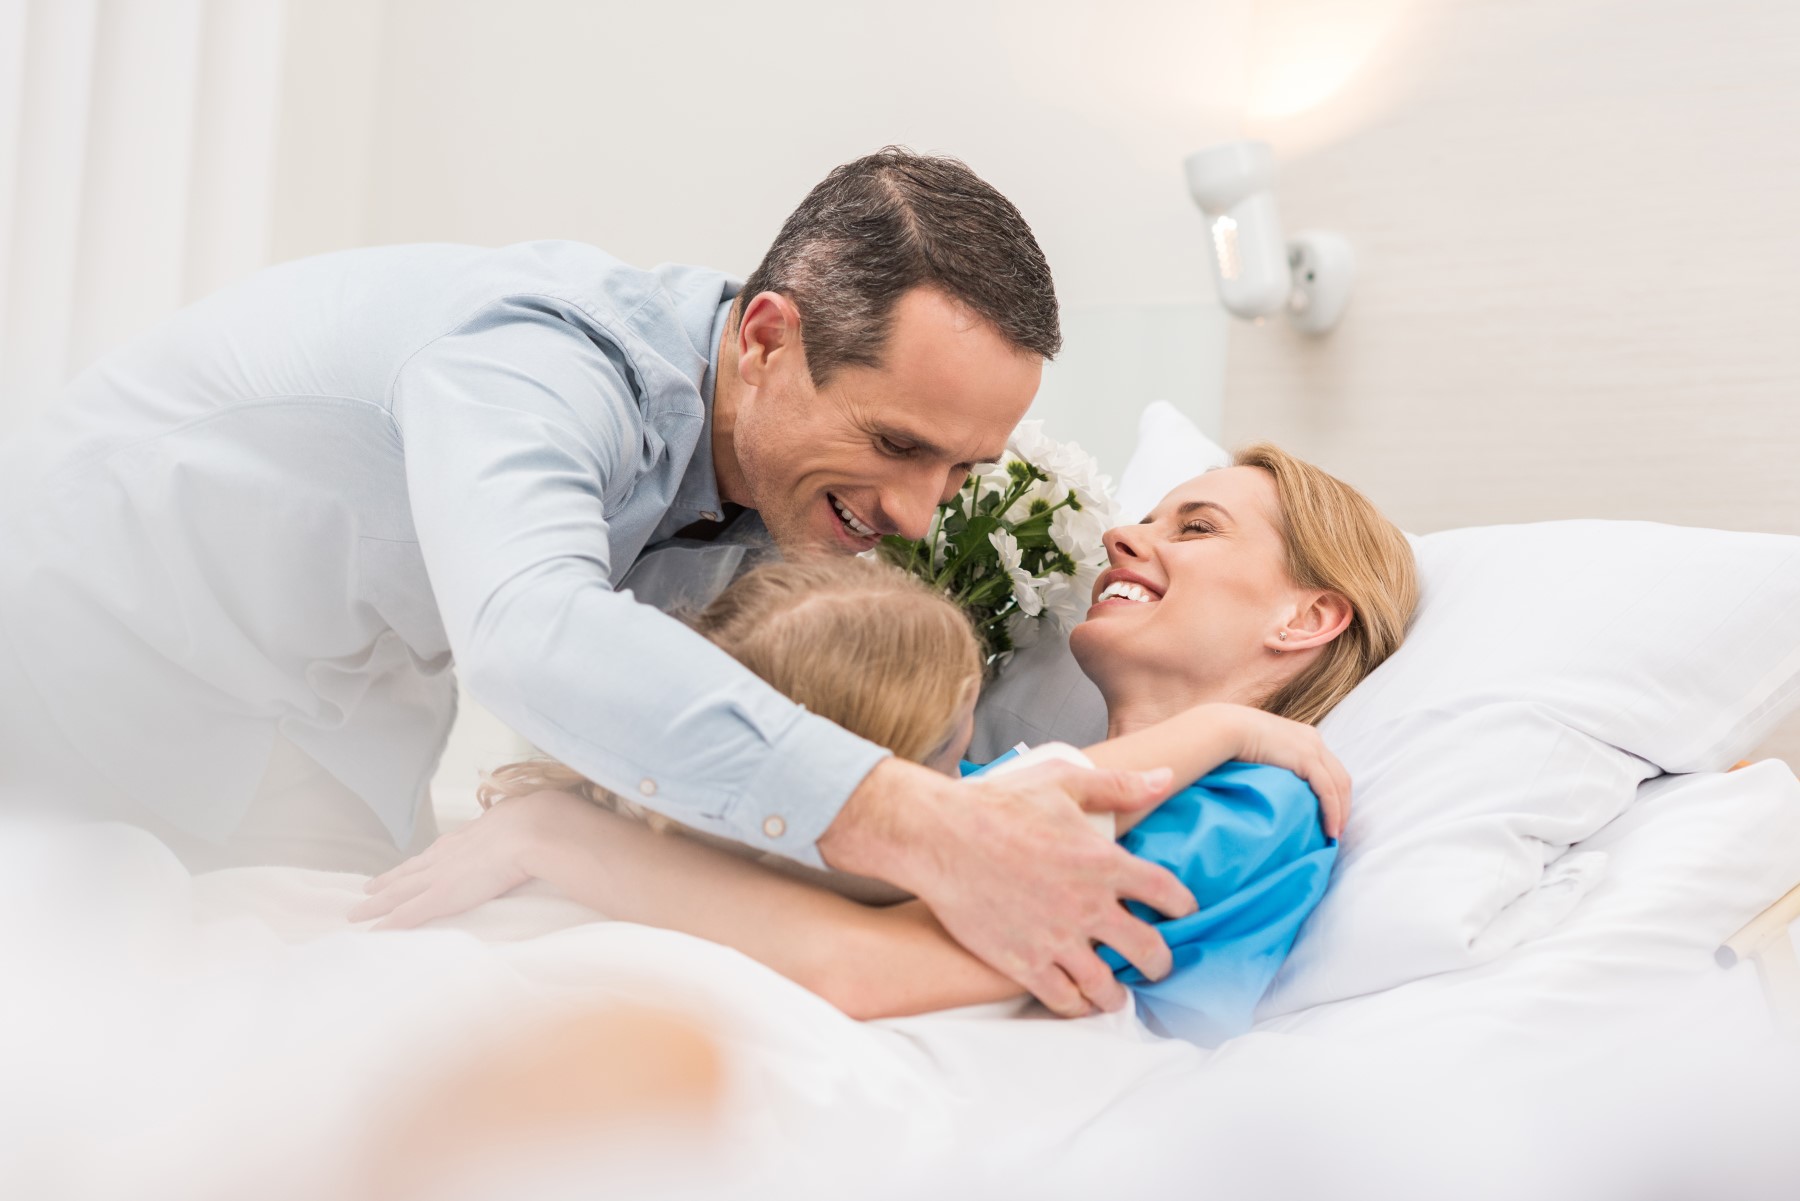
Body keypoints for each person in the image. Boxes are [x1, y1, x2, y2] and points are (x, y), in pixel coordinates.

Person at [0, 148, 1197, 1018]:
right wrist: (920, 825)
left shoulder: (782, 503)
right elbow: (530, 633)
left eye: (962, 468)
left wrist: (1204, 731)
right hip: (86, 651)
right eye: (895, 446)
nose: (920, 511)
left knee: (379, 978)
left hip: (318, 706)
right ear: (768, 338)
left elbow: (800, 738)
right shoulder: (538, 358)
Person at [354, 445, 1420, 1041]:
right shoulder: (985, 774)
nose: (1127, 535)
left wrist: (563, 836)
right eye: (1148, 512)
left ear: (1305, 619)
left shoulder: (1250, 813)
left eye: (1196, 526)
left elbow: (855, 965)